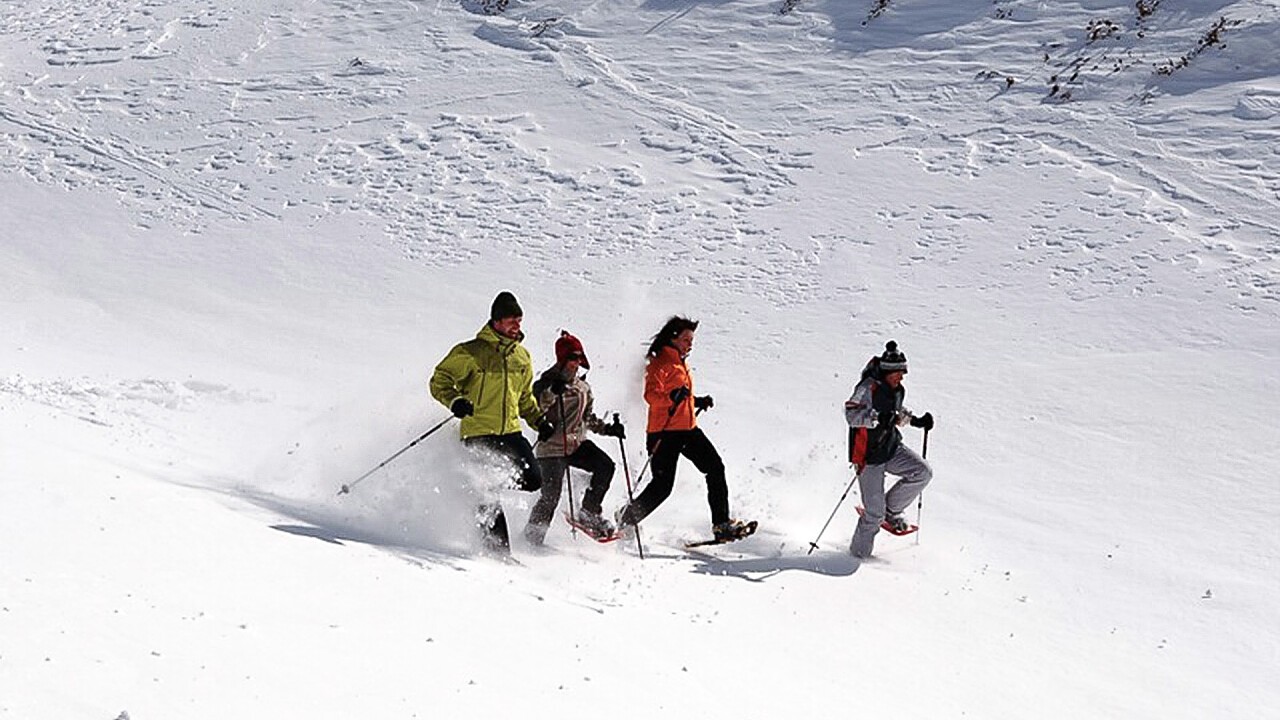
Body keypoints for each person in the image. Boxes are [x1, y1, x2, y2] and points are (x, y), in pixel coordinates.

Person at [429, 291, 555, 554]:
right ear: (496, 321)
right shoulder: (470, 352)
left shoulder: (522, 357)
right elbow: (439, 381)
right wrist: (456, 402)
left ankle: (485, 484)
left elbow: (524, 398)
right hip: (477, 431)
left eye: (519, 320)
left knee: (533, 479)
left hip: (510, 431)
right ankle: (497, 552)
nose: (517, 325)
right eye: (511, 320)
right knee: (487, 492)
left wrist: (539, 422)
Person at [615, 316, 754, 543]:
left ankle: (721, 524)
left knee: (715, 468)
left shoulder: (681, 363)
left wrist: (696, 401)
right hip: (664, 432)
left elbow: (679, 395)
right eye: (686, 339)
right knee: (662, 487)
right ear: (674, 338)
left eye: (692, 339)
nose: (690, 343)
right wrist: (671, 397)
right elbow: (651, 396)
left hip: (687, 429)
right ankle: (626, 518)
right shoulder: (660, 363)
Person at [524, 331, 626, 544]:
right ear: (561, 359)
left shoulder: (583, 387)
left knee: (605, 466)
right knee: (551, 496)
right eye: (571, 358)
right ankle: (532, 537)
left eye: (578, 358)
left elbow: (587, 418)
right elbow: (534, 410)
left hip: (576, 444)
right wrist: (553, 392)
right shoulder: (545, 383)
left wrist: (609, 430)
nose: (575, 363)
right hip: (551, 447)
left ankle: (589, 512)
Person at [844, 340, 934, 559]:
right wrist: (875, 417)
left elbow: (894, 412)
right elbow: (851, 414)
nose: (901, 377)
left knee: (922, 472)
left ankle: (891, 511)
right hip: (868, 456)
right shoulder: (867, 387)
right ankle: (857, 557)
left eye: (903, 372)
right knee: (873, 515)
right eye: (898, 373)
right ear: (887, 372)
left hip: (891, 447)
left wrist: (915, 421)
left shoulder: (896, 389)